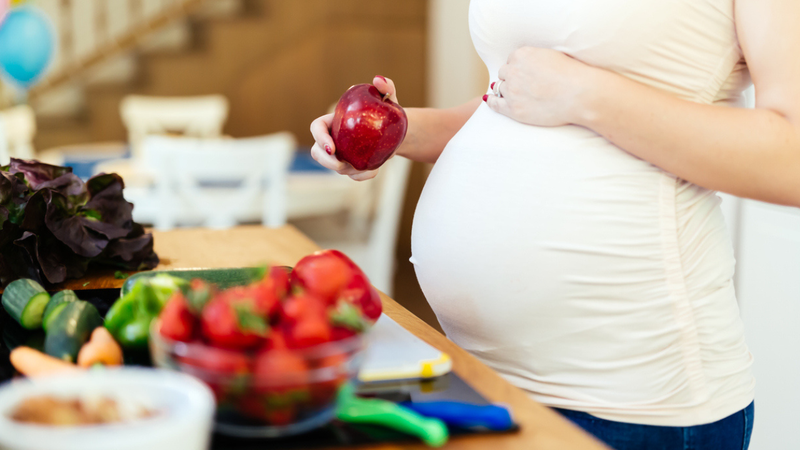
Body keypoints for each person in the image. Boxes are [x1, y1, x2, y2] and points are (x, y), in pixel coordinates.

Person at [311, 0, 800, 448]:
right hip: (477, 376)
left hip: (631, 406)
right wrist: (395, 129)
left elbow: (791, 158)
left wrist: (588, 94)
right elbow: (510, 103)